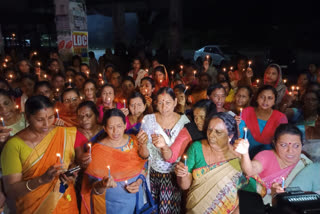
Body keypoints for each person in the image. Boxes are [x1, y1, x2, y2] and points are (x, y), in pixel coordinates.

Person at [1, 95, 79, 213]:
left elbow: (73, 163)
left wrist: (72, 173)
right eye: (40, 119)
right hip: (34, 208)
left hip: (65, 203)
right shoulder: (14, 146)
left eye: (50, 117)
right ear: (27, 118)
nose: (46, 124)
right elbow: (11, 190)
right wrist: (41, 180)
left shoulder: (65, 133)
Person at [175, 112, 248, 213]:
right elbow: (184, 186)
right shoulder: (196, 148)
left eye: (218, 132)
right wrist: (182, 174)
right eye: (209, 129)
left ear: (230, 136)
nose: (211, 135)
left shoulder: (240, 155)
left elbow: (247, 191)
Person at [81, 108, 148, 214]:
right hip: (109, 206)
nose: (115, 131)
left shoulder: (134, 141)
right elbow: (92, 189)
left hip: (134, 200)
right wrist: (103, 185)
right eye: (111, 127)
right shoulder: (97, 151)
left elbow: (144, 167)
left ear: (125, 125)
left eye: (119, 126)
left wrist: (138, 182)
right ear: (105, 128)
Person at [139, 87, 190, 213]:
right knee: (153, 208)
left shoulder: (184, 122)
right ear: (155, 103)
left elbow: (186, 152)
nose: (164, 106)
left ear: (175, 102)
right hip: (154, 175)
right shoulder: (149, 120)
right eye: (160, 102)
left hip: (175, 176)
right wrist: (142, 144)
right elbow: (144, 154)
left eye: (168, 102)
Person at [234, 124, 313, 204]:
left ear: (302, 144)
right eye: (283, 145)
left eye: (296, 146)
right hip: (261, 206)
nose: (290, 151)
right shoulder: (266, 156)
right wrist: (245, 153)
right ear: (274, 143)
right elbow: (250, 170)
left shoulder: (306, 164)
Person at [239, 85, 288, 158]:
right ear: (257, 98)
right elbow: (239, 134)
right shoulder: (247, 112)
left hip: (269, 158)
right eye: (262, 97)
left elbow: (282, 142)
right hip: (245, 155)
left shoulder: (280, 118)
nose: (265, 101)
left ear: (274, 101)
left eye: (270, 98)